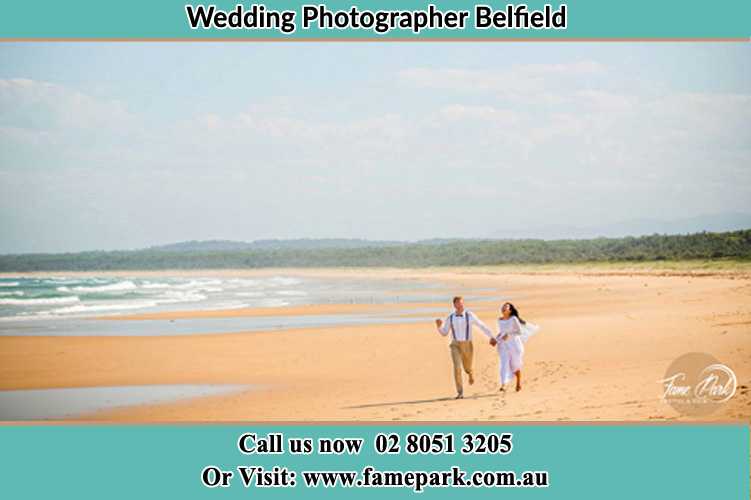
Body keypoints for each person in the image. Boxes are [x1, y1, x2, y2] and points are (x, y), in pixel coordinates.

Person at [435, 296, 494, 399]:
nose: (460, 305)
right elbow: (444, 333)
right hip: (455, 344)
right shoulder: (450, 317)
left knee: (467, 366)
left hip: (467, 344)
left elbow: (481, 326)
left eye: (461, 303)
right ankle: (460, 392)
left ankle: (470, 372)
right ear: (454, 305)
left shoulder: (469, 315)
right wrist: (439, 326)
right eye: (458, 303)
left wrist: (491, 336)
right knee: (457, 367)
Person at [492, 302, 539, 392]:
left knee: (515, 365)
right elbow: (501, 332)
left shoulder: (513, 319)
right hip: (503, 345)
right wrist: (495, 339)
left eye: (506, 307)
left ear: (510, 310)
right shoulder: (499, 320)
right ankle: (503, 384)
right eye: (503, 307)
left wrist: (509, 335)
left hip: (514, 345)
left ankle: (518, 382)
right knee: (503, 364)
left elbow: (519, 332)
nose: (504, 308)